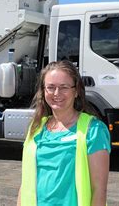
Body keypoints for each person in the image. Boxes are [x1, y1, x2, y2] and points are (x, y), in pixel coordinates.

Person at [17, 60, 111, 206]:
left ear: (77, 91)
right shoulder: (36, 129)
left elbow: (99, 190)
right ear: (43, 91)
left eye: (64, 87)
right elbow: (25, 184)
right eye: (51, 87)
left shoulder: (93, 131)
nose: (56, 93)